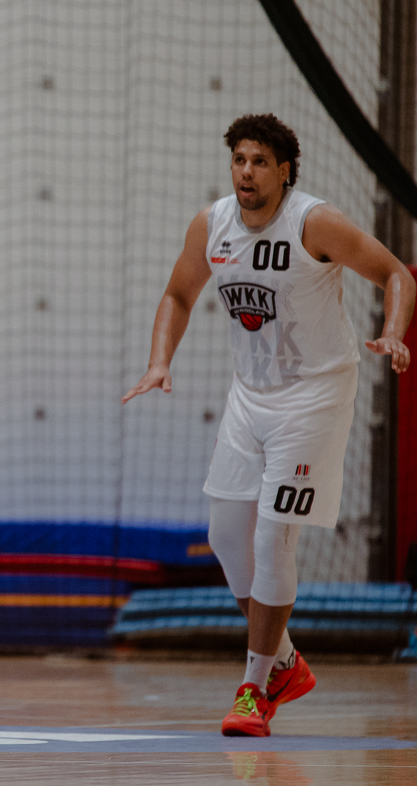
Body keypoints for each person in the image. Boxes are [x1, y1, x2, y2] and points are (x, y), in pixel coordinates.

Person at [123, 114, 413, 737]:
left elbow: (396, 272)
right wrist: (158, 362)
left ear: (283, 171)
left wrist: (393, 332)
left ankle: (254, 688)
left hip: (314, 395)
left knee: (274, 536)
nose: (246, 172)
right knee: (227, 536)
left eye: (259, 161)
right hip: (249, 397)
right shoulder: (212, 224)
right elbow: (178, 295)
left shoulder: (315, 222)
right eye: (239, 160)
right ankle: (284, 663)